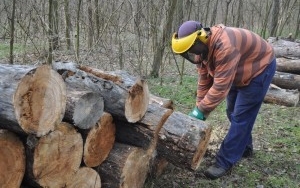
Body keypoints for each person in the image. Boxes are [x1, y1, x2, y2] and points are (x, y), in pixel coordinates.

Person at [171, 20, 276, 180]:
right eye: (189, 51)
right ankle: (245, 147)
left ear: (202, 37)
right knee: (231, 111)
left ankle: (224, 162)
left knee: (241, 116)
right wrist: (198, 109)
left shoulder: (225, 46)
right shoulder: (202, 51)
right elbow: (204, 80)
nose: (193, 53)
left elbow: (220, 87)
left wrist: (201, 112)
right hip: (236, 70)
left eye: (193, 48)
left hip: (259, 68)